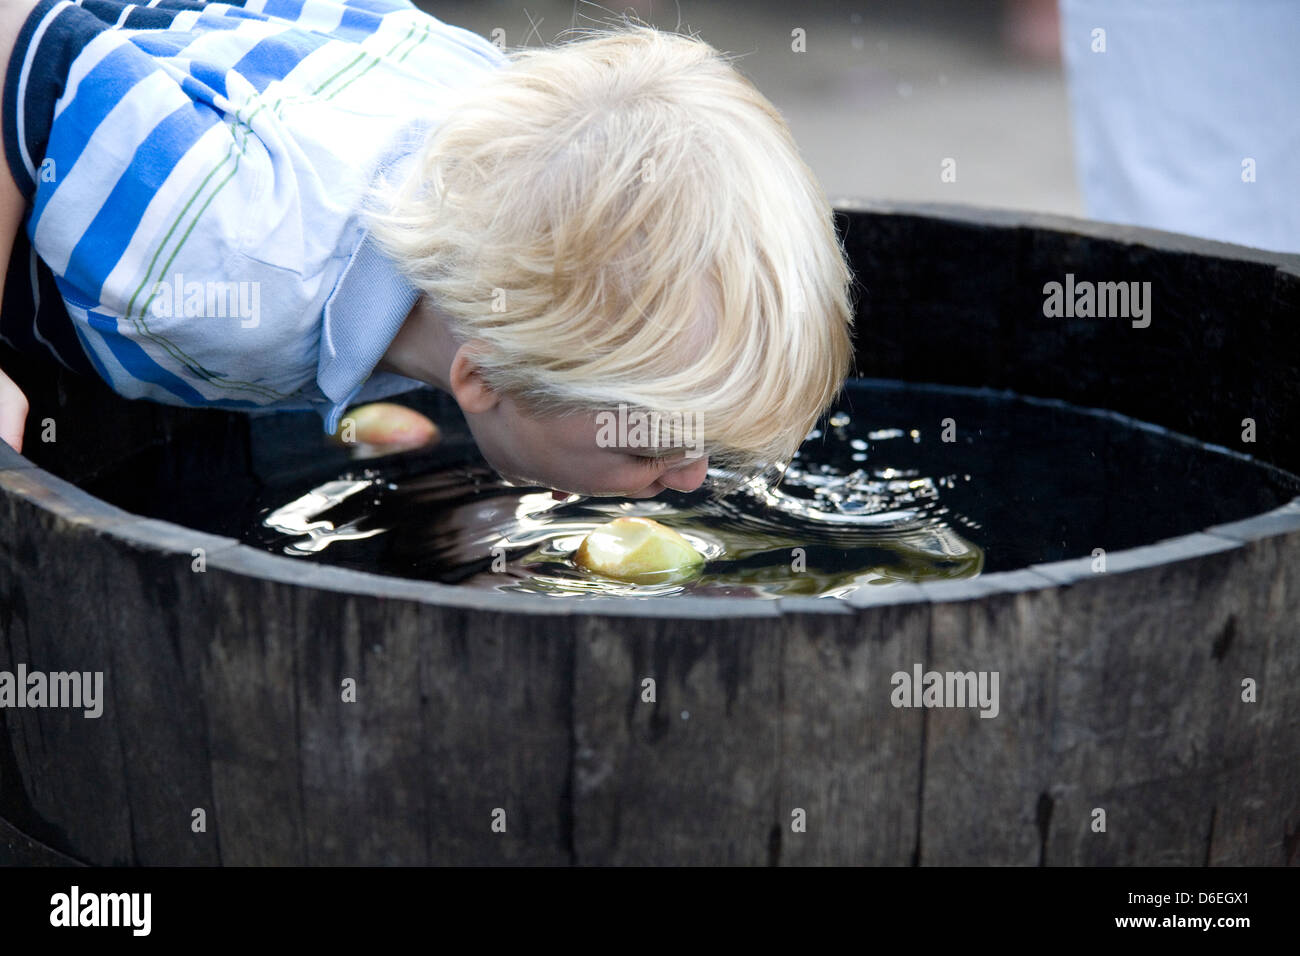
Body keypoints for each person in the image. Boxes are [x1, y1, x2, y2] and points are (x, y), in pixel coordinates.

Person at [0, 0, 855, 499]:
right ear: (476, 378)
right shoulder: (245, 257)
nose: (693, 481)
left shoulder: (504, 141)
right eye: (648, 446)